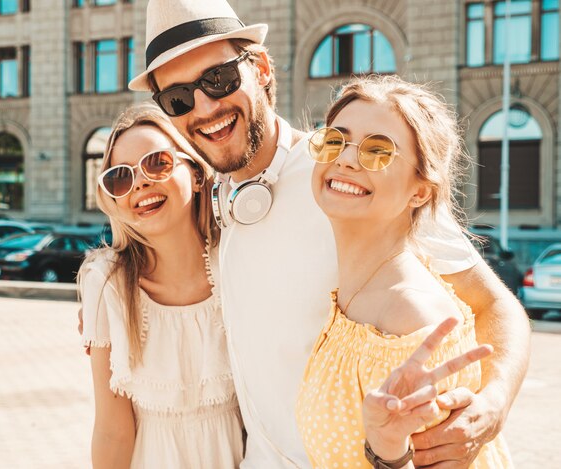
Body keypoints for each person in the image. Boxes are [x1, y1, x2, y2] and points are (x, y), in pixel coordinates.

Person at [125, 1, 530, 467]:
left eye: (219, 80)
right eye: (178, 98)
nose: (205, 107)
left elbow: (494, 305)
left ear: (259, 68)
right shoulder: (208, 200)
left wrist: (493, 405)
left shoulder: (351, 180)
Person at [295, 75, 513, 468]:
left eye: (378, 151)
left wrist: (388, 453)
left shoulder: (410, 318)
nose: (345, 159)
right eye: (334, 140)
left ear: (419, 192)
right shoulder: (358, 295)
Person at [79, 103, 243, 469]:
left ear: (197, 173)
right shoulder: (107, 283)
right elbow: (112, 430)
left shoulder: (237, 261)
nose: (139, 183)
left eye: (157, 162)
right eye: (120, 177)